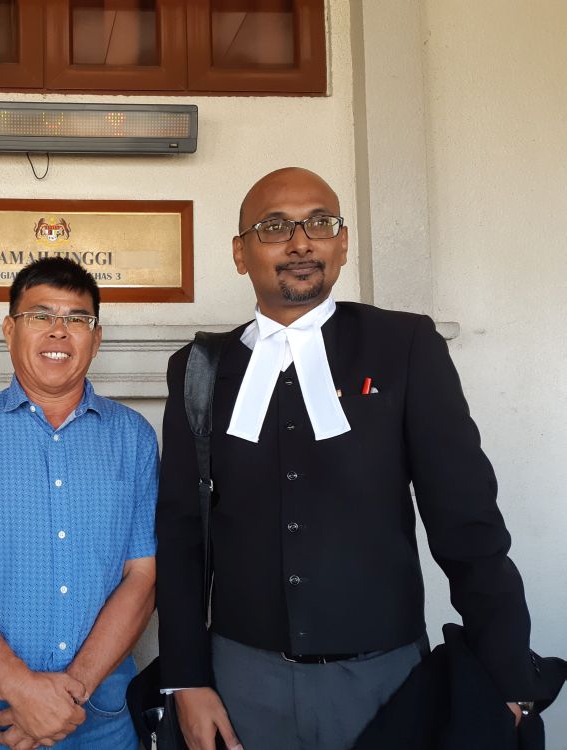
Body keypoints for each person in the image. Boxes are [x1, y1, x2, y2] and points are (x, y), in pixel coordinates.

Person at [155, 168, 538, 750]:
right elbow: (182, 536)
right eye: (275, 226)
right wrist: (185, 680)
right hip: (240, 685)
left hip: (384, 681)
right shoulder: (199, 369)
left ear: (343, 242)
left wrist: (509, 676)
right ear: (240, 253)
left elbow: (467, 523)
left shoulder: (405, 346)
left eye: (319, 222)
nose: (300, 241)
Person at [0, 257, 159, 749]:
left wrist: (67, 695)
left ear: (96, 338)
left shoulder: (134, 439)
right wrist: (19, 686)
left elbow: (142, 579)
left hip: (97, 707)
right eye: (41, 316)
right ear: (9, 329)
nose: (59, 332)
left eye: (77, 319)